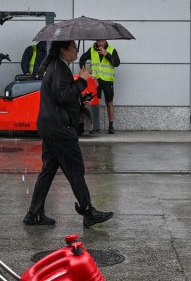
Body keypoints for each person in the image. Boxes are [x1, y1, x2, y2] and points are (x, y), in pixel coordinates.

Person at [23, 39, 114, 228]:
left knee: (47, 172)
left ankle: (34, 214)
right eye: (74, 47)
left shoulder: (58, 67)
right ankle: (88, 211)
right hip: (60, 129)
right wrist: (82, 80)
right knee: (76, 170)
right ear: (63, 50)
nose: (77, 51)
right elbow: (62, 95)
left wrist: (81, 99)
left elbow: (63, 97)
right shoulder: (58, 69)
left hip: (52, 127)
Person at [80, 39, 120, 134]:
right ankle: (94, 126)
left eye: (102, 41)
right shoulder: (92, 50)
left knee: (109, 102)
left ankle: (111, 125)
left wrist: (107, 54)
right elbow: (82, 58)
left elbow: (117, 63)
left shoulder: (111, 49)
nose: (101, 43)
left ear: (105, 41)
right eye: (99, 41)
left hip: (107, 81)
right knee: (93, 103)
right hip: (95, 81)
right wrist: (83, 68)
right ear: (96, 41)